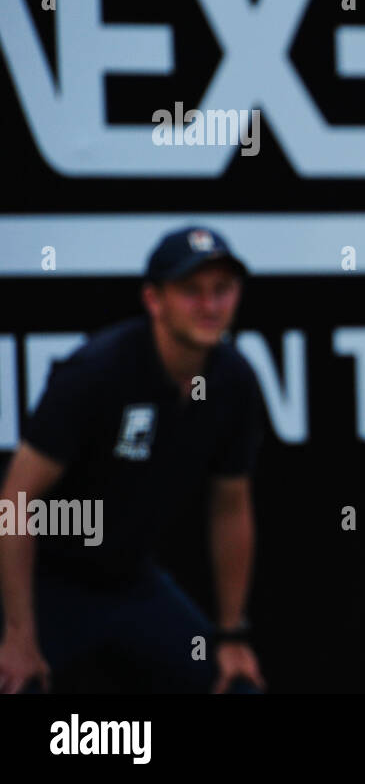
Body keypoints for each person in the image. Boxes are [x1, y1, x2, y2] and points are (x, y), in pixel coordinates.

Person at [0, 226, 267, 694]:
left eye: (222, 290)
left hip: (132, 582)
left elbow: (230, 508)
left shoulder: (234, 381)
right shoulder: (97, 372)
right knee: (16, 683)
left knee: (234, 685)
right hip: (47, 582)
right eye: (191, 291)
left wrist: (230, 634)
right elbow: (15, 502)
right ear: (153, 299)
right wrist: (19, 634)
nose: (210, 306)